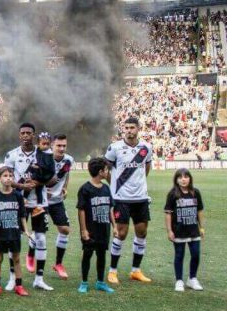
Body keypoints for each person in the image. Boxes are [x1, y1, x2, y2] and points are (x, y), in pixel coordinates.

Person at [4, 123, 52, 291]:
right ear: (19, 135)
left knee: (41, 238)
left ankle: (39, 279)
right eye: (23, 133)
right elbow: (6, 179)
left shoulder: (44, 153)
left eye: (28, 133)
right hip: (19, 203)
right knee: (14, 239)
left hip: (39, 203)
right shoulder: (11, 155)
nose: (25, 135)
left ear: (34, 135)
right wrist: (21, 186)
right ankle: (12, 278)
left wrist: (38, 182)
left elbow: (52, 177)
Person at [105, 117, 154, 285]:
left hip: (141, 198)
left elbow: (147, 167)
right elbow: (105, 169)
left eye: (132, 127)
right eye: (126, 128)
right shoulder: (115, 148)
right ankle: (112, 271)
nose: (129, 130)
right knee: (121, 233)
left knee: (142, 232)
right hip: (121, 199)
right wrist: (115, 185)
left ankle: (135, 270)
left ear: (138, 128)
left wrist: (139, 184)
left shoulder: (146, 147)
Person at [76, 158, 117, 294]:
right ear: (100, 172)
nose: (107, 172)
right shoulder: (85, 189)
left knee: (102, 255)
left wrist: (114, 226)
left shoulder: (106, 188)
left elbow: (110, 209)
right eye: (106, 170)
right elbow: (81, 210)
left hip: (103, 229)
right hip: (90, 230)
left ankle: (100, 282)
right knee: (87, 254)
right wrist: (84, 230)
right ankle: (84, 282)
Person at [0, 167, 29, 297]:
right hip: (1, 233)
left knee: (16, 258)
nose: (8, 178)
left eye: (10, 175)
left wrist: (26, 230)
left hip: (14, 232)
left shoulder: (17, 196)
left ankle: (19, 286)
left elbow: (22, 215)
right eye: (5, 175)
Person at [164, 169, 205, 292]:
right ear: (176, 180)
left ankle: (192, 278)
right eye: (180, 177)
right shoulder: (173, 194)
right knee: (179, 255)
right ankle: (179, 280)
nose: (183, 179)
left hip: (193, 230)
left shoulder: (195, 192)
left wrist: (202, 227)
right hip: (179, 231)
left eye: (186, 177)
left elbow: (200, 211)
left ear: (190, 178)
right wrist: (169, 231)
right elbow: (168, 213)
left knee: (196, 254)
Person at [46, 134, 73, 279]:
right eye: (58, 145)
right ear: (52, 145)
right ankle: (31, 256)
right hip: (41, 201)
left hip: (57, 201)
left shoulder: (69, 160)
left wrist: (65, 188)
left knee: (65, 229)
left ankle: (58, 264)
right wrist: (42, 191)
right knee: (39, 232)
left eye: (64, 146)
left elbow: (66, 175)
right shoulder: (44, 158)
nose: (61, 148)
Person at [29, 132, 55, 216]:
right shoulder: (40, 150)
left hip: (45, 175)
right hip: (43, 173)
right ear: (39, 144)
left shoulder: (48, 154)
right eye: (44, 144)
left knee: (30, 181)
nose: (46, 146)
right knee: (38, 189)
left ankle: (25, 198)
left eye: (48, 144)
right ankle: (39, 206)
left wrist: (37, 166)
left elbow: (46, 166)